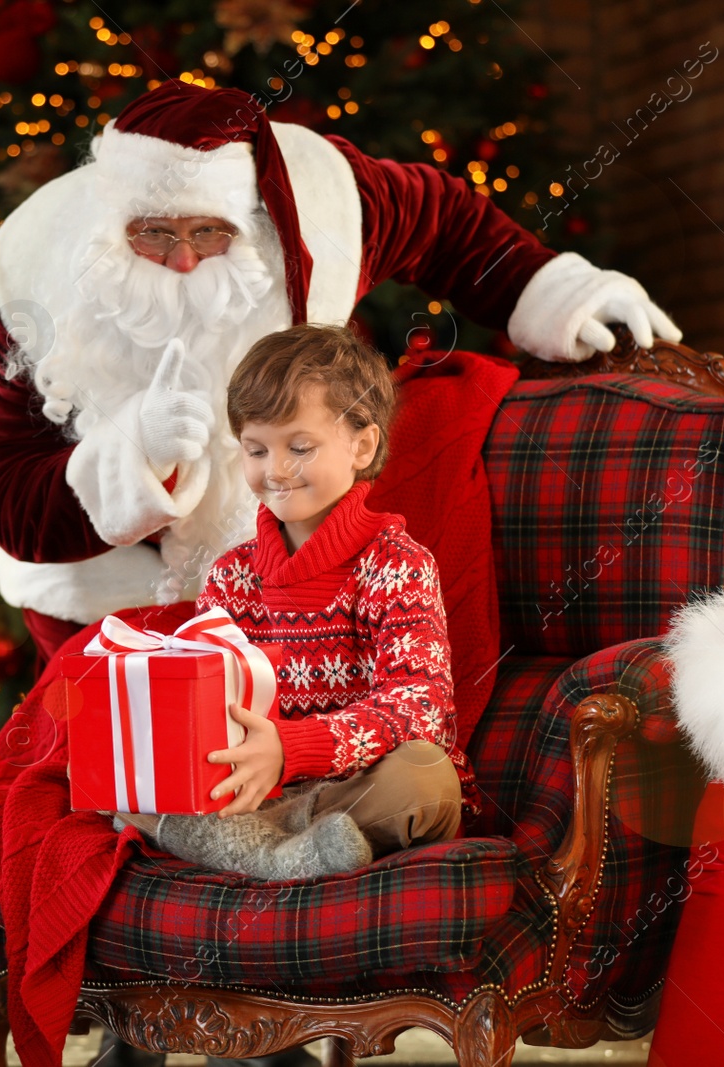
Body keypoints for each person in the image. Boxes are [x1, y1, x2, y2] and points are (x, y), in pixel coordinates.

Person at [0, 79, 683, 667]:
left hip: (295, 570)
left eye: (208, 233)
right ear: (111, 226)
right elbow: (6, 493)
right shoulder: (29, 272)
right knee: (141, 772)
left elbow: (447, 226)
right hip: (107, 606)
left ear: (249, 218)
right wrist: (133, 458)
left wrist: (551, 288)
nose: (183, 260)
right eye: (153, 234)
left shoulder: (320, 207)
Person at [117, 321, 467, 884]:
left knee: (425, 780)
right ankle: (279, 848)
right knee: (131, 778)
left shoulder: (395, 564)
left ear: (362, 444)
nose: (275, 470)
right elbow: (205, 703)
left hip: (353, 789)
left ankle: (251, 844)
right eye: (257, 450)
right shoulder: (233, 576)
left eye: (299, 447)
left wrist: (292, 747)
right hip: (252, 790)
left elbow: (421, 705)